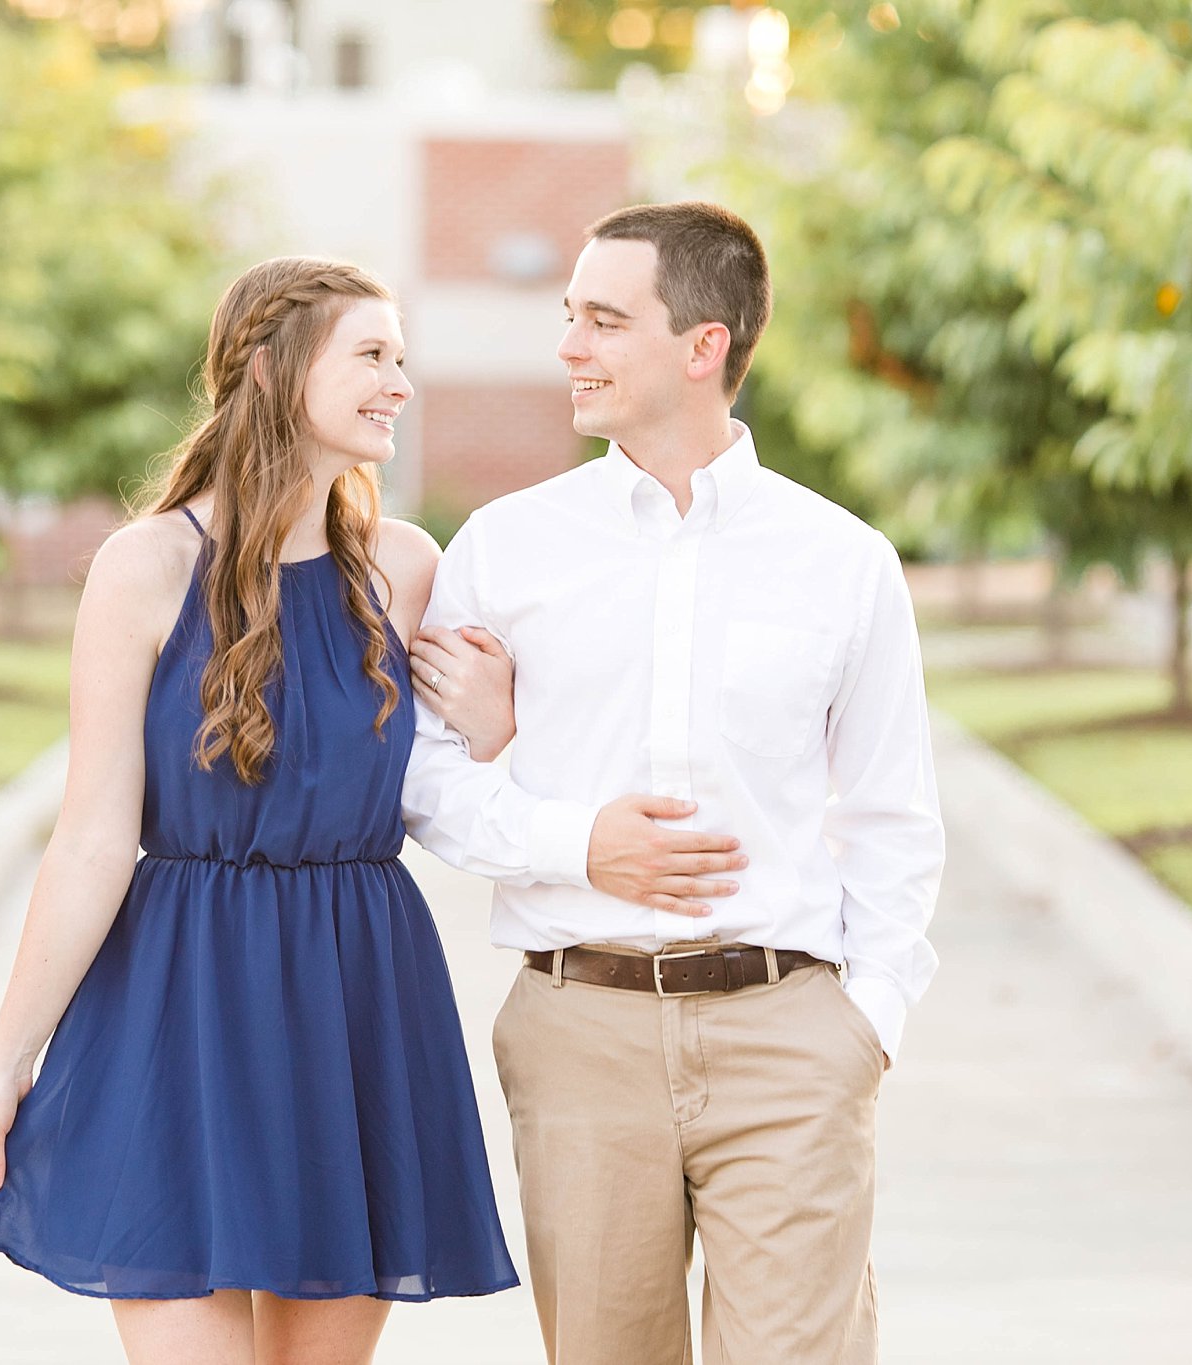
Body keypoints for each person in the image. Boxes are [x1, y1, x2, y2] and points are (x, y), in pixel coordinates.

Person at [402, 201, 945, 1365]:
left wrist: (870, 1019)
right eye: (568, 318)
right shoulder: (503, 548)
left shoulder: (842, 562)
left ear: (703, 347)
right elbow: (417, 778)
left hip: (790, 1035)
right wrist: (569, 840)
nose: (568, 349)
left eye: (603, 321)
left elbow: (895, 812)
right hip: (579, 1032)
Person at [0, 257, 519, 1365]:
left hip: (353, 1001)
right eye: (370, 354)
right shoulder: (146, 566)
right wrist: (7, 1056)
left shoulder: (404, 568)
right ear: (271, 365)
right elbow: (92, 836)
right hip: (176, 1006)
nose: (398, 381)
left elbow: (454, 784)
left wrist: (499, 726)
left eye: (401, 357)